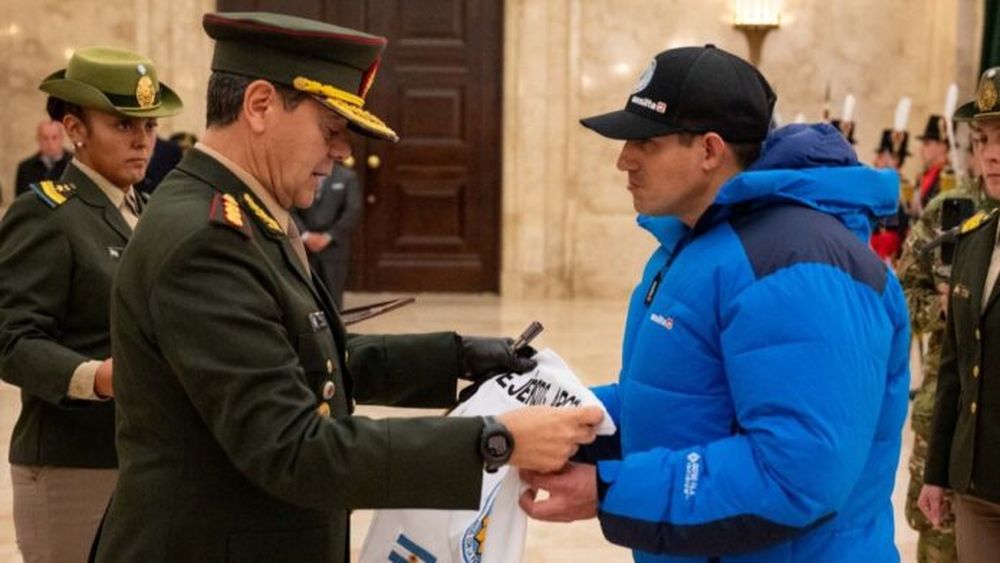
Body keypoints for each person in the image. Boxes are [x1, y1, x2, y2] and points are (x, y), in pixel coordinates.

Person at [93, 12, 602, 563]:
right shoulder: (208, 239)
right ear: (260, 105)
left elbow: (307, 357)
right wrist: (496, 439)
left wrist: (455, 358)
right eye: (331, 129)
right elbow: (293, 450)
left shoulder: (244, 215)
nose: (343, 153)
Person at [517, 45, 910, 562]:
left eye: (646, 142)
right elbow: (682, 401)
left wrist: (611, 490)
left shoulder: (798, 266)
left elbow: (796, 474)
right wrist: (559, 418)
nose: (624, 160)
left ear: (708, 150)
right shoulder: (699, 244)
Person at [0, 46, 182, 563]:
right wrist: (98, 377)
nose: (142, 140)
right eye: (123, 125)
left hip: (148, 459)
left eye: (149, 126)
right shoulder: (48, 214)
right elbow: (12, 341)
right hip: (74, 466)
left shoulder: (151, 213)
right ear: (75, 129)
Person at [921, 67, 1000, 563]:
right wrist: (936, 474)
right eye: (984, 139)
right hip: (977, 486)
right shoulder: (975, 239)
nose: (991, 154)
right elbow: (956, 367)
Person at [898, 131, 986, 563]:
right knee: (938, 536)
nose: (990, 154)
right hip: (942, 409)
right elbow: (899, 296)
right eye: (982, 141)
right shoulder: (945, 213)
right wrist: (942, 307)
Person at [294, 162, 362, 307]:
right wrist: (305, 235)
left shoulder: (347, 177)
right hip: (303, 246)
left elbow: (352, 211)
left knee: (333, 298)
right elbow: (289, 208)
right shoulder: (300, 173)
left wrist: (329, 236)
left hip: (334, 247)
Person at [872, 127, 915, 263]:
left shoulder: (904, 193)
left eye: (880, 156)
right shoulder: (880, 189)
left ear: (894, 160)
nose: (874, 161)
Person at [14, 120, 72, 196]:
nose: (50, 143)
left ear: (61, 138)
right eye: (45, 138)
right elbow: (20, 200)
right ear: (38, 139)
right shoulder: (25, 168)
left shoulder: (73, 165)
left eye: (54, 138)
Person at [911, 115, 953, 215]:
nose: (921, 149)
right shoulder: (924, 176)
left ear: (942, 146)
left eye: (927, 143)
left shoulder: (950, 177)